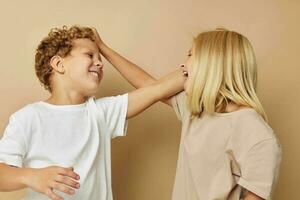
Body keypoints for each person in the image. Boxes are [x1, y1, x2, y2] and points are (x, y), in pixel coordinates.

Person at [0, 26, 185, 200]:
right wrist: (32, 176)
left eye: (101, 58)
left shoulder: (101, 113)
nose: (99, 63)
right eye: (90, 55)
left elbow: (158, 89)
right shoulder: (28, 118)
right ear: (58, 64)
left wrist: (104, 48)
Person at [95, 28, 282, 200]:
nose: (182, 65)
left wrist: (196, 75)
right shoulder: (196, 109)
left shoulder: (257, 136)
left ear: (212, 65)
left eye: (191, 55)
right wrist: (104, 49)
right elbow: (151, 87)